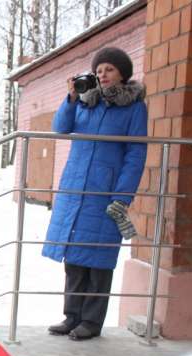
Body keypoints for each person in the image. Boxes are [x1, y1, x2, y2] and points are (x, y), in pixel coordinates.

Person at [44, 47, 147, 341]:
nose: (102, 74)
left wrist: (122, 195)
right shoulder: (85, 102)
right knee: (75, 257)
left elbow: (136, 154)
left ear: (123, 74)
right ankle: (71, 316)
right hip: (76, 188)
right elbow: (61, 129)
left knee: (99, 259)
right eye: (99, 69)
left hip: (105, 192)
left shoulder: (134, 107)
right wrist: (71, 98)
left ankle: (91, 321)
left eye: (109, 69)